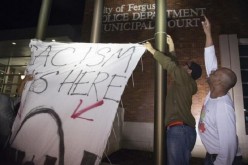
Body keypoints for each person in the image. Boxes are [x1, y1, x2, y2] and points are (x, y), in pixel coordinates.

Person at [144, 36, 202, 165]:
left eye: (187, 65)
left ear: (190, 71)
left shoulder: (185, 80)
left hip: (179, 131)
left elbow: (171, 66)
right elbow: (175, 66)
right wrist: (172, 48)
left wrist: (152, 50)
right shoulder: (185, 81)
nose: (184, 64)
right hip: (184, 130)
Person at [198, 16, 243, 165]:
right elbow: (210, 59)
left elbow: (229, 149)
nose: (211, 72)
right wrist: (208, 33)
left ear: (218, 82)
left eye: (215, 73)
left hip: (222, 160)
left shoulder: (223, 107)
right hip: (212, 155)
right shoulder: (215, 92)